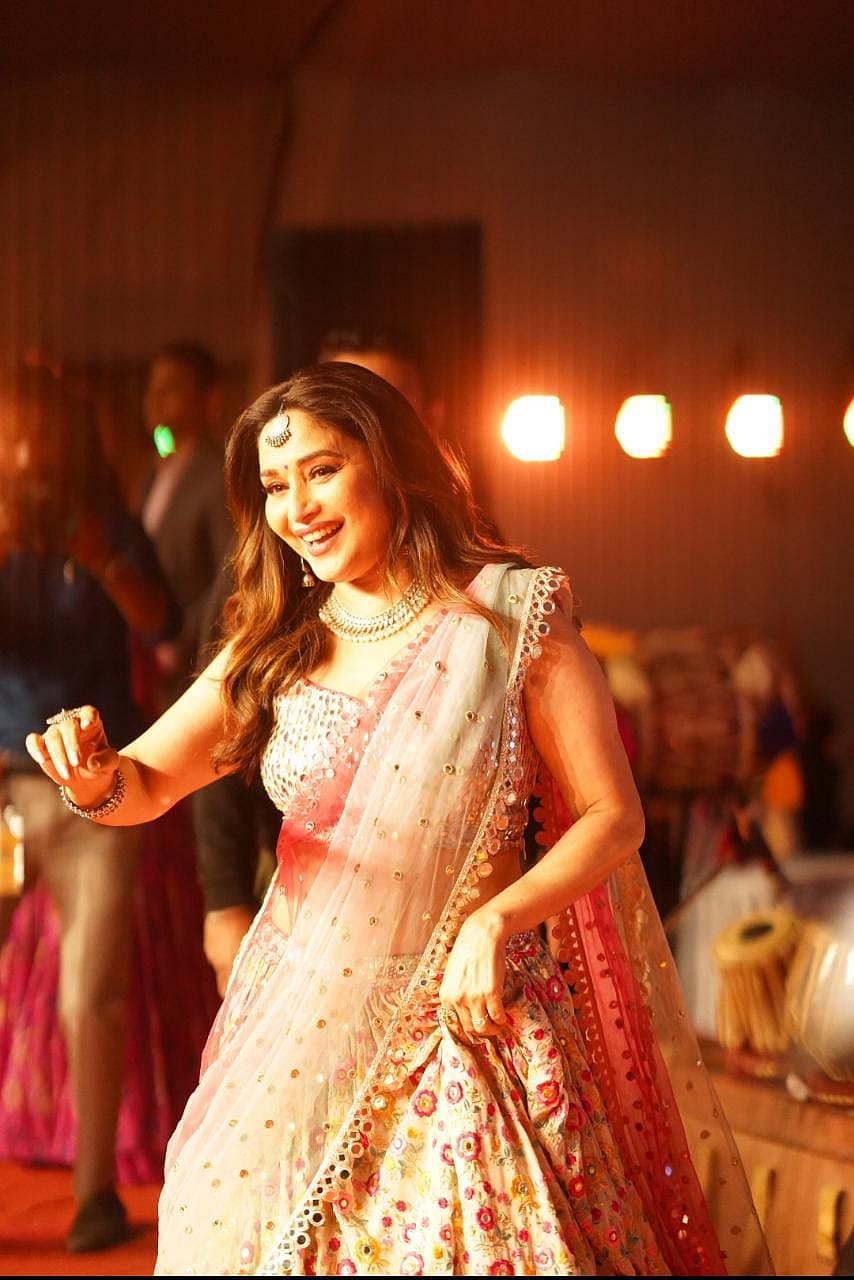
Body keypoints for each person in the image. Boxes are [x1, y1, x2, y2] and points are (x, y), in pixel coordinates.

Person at [25, 363, 770, 1275]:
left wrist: (499, 919)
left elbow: (614, 817)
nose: (297, 507)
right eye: (275, 485)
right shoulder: (277, 640)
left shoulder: (510, 617)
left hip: (467, 1027)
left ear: (389, 463)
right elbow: (143, 785)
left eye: (321, 470)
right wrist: (91, 773)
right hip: (298, 1034)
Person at [0, 366, 181, 1250]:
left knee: (90, 993)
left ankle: (96, 1194)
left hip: (95, 792)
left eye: (31, 432)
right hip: (3, 788)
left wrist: (101, 556)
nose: (18, 450)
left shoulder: (108, 523)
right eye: (8, 435)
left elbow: (163, 628)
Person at [141, 341, 234, 709]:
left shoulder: (218, 474)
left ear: (208, 398)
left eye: (172, 388)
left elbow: (228, 571)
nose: (155, 399)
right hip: (146, 654)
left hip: (188, 660)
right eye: (152, 388)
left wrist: (178, 643)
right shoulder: (154, 471)